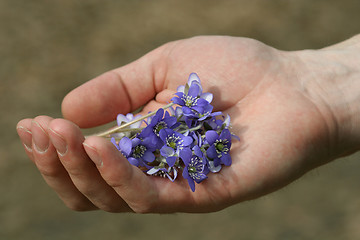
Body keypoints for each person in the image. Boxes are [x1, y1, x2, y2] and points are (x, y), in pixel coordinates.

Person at [16, 35, 360, 213]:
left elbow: (186, 143)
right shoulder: (164, 133)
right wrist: (322, 88)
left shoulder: (193, 137)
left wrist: (323, 94)